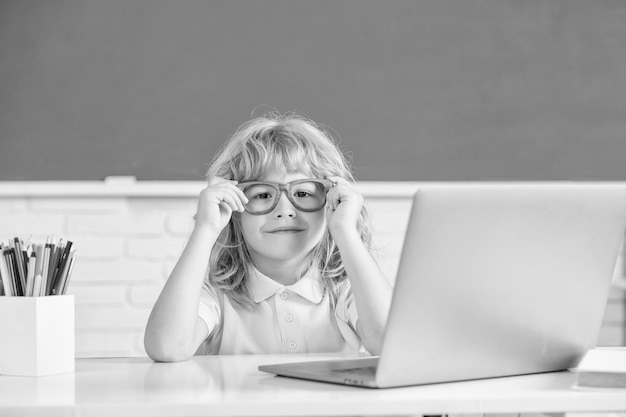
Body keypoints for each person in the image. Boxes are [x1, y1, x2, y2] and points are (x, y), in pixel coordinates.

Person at [144, 112, 392, 362]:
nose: (284, 211)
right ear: (234, 211)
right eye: (262, 195)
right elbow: (167, 347)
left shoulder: (345, 289)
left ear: (331, 200)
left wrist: (346, 231)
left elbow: (391, 344)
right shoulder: (218, 295)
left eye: (303, 193)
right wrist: (206, 228)